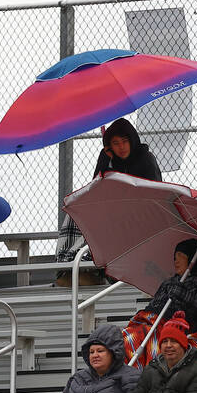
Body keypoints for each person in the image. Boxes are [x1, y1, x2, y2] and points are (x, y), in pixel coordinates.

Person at [56, 118, 162, 286]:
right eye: (115, 143)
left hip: (141, 215)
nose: (121, 147)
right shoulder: (108, 158)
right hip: (113, 212)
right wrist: (106, 163)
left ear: (132, 140)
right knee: (75, 214)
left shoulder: (145, 158)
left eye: (125, 141)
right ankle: (72, 265)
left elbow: (154, 195)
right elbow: (95, 190)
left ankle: (98, 268)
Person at [145, 240, 197, 330]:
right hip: (152, 325)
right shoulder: (169, 282)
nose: (176, 261)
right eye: (175, 258)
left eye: (181, 256)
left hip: (181, 332)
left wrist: (180, 293)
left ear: (193, 258)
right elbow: (154, 305)